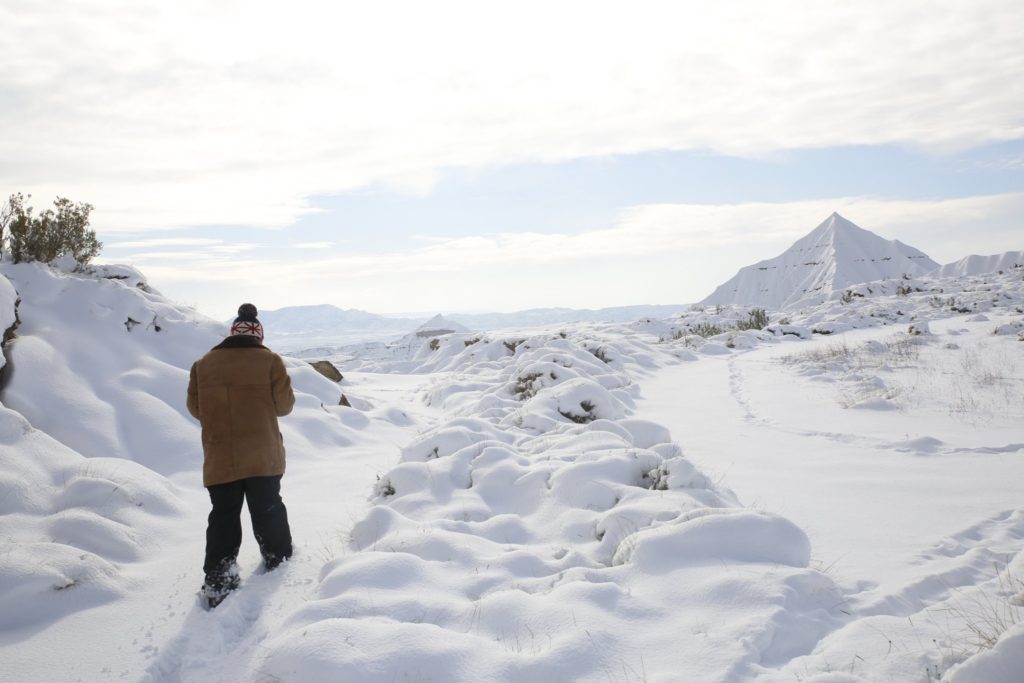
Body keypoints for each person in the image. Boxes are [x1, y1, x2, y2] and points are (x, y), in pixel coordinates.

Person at [186, 303, 296, 608]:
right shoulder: (270, 361)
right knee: (268, 508)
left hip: (220, 455)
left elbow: (197, 409)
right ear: (258, 336)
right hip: (262, 454)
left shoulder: (203, 364)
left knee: (223, 516)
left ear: (232, 333)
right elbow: (285, 406)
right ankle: (278, 561)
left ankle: (219, 579)